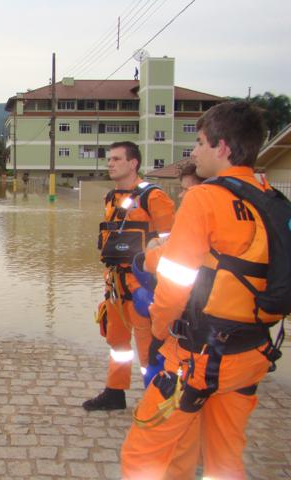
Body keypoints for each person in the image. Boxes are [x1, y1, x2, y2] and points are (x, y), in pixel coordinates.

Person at [121, 101, 284, 479]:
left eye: (199, 142)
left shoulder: (205, 197)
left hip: (197, 355)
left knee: (143, 452)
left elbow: (175, 282)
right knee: (225, 457)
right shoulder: (271, 199)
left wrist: (161, 332)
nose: (193, 151)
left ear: (222, 148)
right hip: (252, 351)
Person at [83, 141, 175, 411]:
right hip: (115, 283)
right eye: (109, 159)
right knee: (117, 343)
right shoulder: (111, 197)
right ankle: (115, 392)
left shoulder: (154, 197)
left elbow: (174, 244)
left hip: (142, 285)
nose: (110, 163)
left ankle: (155, 400)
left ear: (133, 163)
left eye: (116, 159)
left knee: (149, 347)